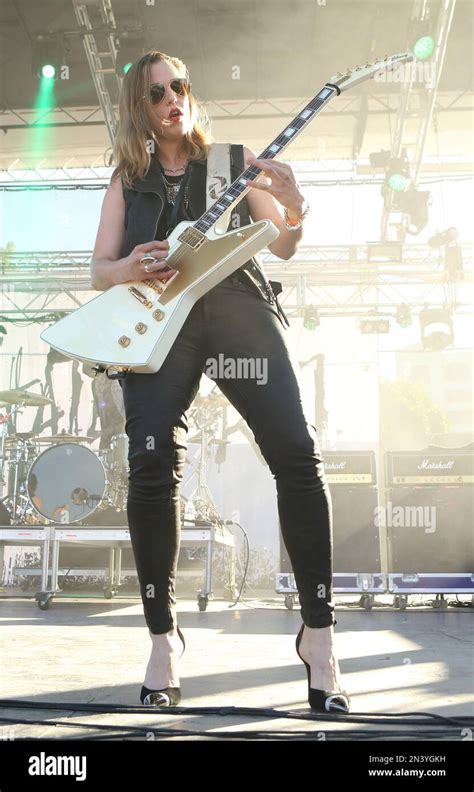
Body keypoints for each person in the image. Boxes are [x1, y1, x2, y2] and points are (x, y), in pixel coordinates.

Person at [91, 50, 349, 713]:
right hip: (163, 321)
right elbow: (101, 268)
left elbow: (283, 243)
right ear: (139, 108)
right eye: (157, 93)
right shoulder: (128, 179)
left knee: (296, 452)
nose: (174, 97)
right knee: (150, 463)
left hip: (237, 309)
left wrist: (295, 206)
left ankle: (319, 638)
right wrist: (129, 267)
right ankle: (163, 638)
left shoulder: (233, 164)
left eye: (180, 85)